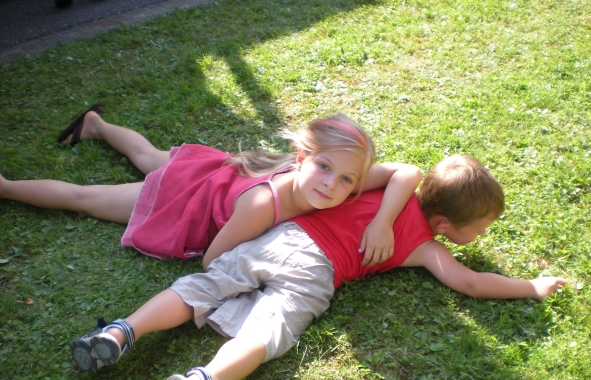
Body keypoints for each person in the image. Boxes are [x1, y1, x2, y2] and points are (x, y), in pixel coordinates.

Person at [69, 154, 566, 380]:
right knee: (266, 332)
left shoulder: (385, 190)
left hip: (282, 238)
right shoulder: (425, 246)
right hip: (316, 273)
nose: (482, 235)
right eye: (480, 228)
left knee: (202, 285)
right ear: (443, 224)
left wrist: (383, 217)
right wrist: (531, 287)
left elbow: (405, 171)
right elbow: (471, 283)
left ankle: (120, 332)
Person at [0, 105, 423, 267]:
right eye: (324, 167)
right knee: (85, 198)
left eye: (347, 178)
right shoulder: (262, 206)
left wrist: (382, 222)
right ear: (300, 159)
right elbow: (212, 261)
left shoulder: (344, 181)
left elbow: (408, 171)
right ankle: (5, 186)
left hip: (217, 175)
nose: (332, 185)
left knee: (148, 156)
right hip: (187, 199)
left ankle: (96, 124)